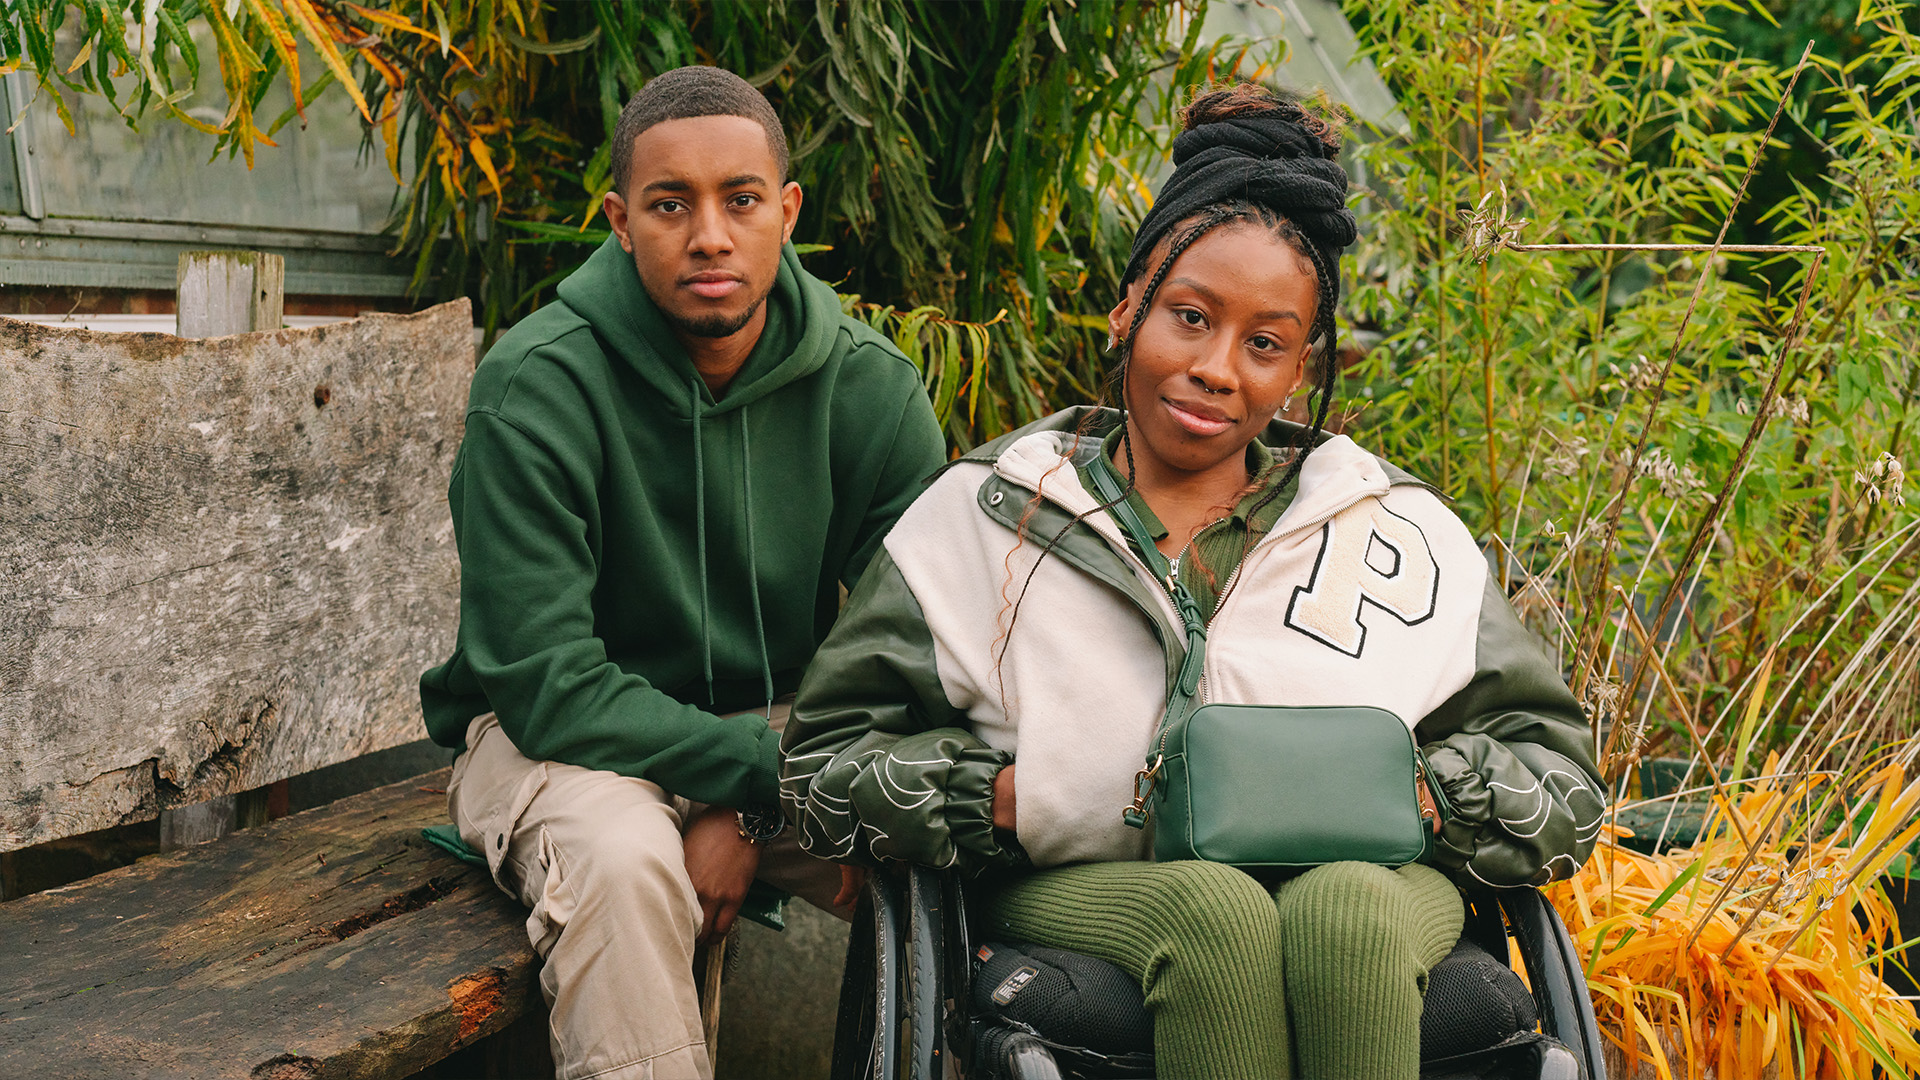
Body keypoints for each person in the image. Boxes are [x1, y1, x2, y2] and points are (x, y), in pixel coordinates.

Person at [780, 83, 1605, 1080]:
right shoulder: (983, 517)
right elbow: (820, 775)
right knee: (1217, 916)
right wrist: (998, 797)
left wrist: (1416, 799)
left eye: (1264, 343)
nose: (1218, 368)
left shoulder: (1398, 532)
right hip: (1086, 887)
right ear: (1128, 308)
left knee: (1346, 912)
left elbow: (1565, 786)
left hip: (1377, 884)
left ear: (1302, 366)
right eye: (1190, 317)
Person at [419, 66, 947, 1080]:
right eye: (671, 204)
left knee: (950, 824)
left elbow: (913, 649)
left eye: (739, 199)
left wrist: (744, 803)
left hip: (780, 727)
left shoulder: (869, 391)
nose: (709, 235)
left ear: (785, 212)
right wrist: (751, 782)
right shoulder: (538, 387)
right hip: (555, 746)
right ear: (620, 221)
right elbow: (544, 683)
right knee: (625, 863)